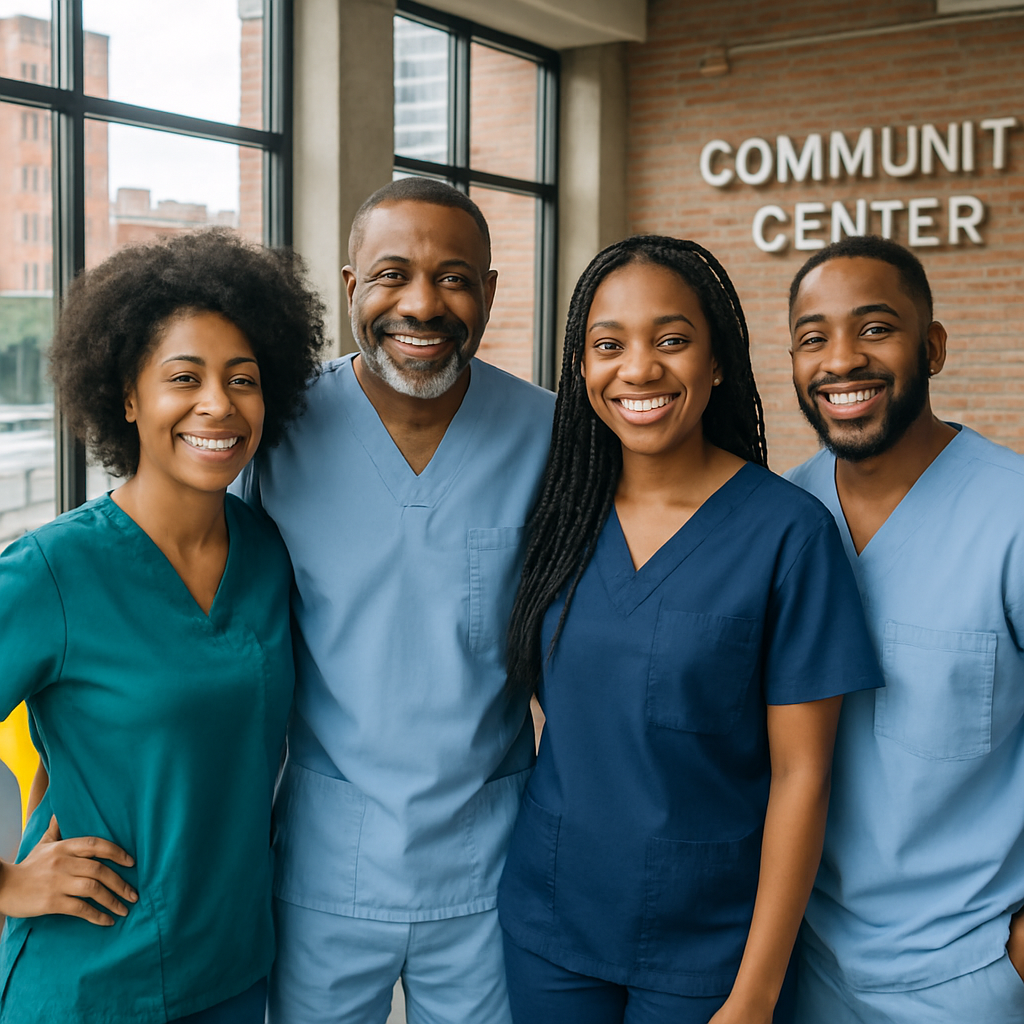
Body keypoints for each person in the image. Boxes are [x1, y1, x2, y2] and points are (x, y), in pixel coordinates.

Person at [496, 235, 882, 1024]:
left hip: (710, 948)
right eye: (609, 345)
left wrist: (757, 992)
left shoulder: (788, 535)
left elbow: (802, 779)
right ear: (581, 367)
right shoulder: (560, 517)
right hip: (549, 920)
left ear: (716, 363)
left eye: (671, 340)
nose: (638, 369)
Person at [232, 177, 555, 1024]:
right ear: (351, 289)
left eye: (454, 277)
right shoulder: (276, 432)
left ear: (489, 293)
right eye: (391, 274)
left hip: (492, 868)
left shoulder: (554, 435)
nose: (422, 303)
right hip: (325, 868)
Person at [0, 229, 326, 1023]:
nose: (218, 403)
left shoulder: (267, 553)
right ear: (128, 396)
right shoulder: (54, 572)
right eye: (184, 377)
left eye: (241, 380)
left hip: (234, 972)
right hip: (90, 985)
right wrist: (9, 885)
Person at [785, 236, 1024, 1024]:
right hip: (800, 967)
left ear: (934, 347)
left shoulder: (1012, 514)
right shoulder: (778, 515)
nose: (841, 359)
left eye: (876, 328)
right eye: (813, 337)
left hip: (966, 977)